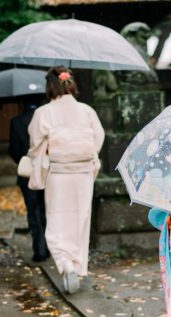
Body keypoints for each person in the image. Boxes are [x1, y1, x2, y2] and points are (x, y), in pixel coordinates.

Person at [26, 67, 105, 294]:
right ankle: (77, 266)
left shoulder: (44, 112)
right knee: (80, 220)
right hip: (82, 174)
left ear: (50, 86)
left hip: (59, 174)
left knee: (58, 220)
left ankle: (65, 263)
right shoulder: (87, 110)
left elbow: (35, 143)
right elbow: (98, 138)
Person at [9, 96, 49, 262]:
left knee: (33, 210)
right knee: (46, 208)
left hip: (27, 174)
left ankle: (39, 249)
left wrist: (24, 160)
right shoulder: (46, 120)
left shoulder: (16, 121)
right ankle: (48, 246)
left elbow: (13, 150)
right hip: (47, 171)